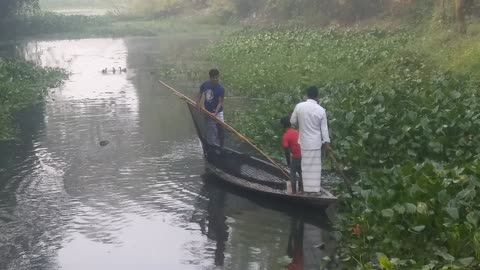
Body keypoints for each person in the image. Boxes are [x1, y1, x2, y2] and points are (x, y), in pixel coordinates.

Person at [290, 86, 332, 193]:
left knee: (305, 166)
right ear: (317, 97)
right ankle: (315, 190)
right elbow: (324, 129)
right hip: (316, 143)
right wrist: (327, 144)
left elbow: (292, 121)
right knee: (315, 168)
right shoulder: (321, 110)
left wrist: (298, 123)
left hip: (304, 142)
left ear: (306, 95)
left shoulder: (299, 107)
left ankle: (306, 190)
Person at [197, 69, 225, 146]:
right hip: (207, 111)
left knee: (220, 130)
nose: (216, 79)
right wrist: (198, 103)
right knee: (209, 129)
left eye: (217, 77)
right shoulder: (205, 85)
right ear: (210, 78)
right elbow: (200, 92)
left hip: (218, 112)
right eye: (214, 78)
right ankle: (210, 144)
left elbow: (220, 102)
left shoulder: (220, 89)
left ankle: (220, 146)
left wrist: (215, 113)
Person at [281, 116, 303, 194]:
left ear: (283, 126)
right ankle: (302, 189)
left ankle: (294, 192)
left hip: (296, 156)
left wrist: (288, 163)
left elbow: (286, 151)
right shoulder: (297, 132)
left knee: (292, 173)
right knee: (301, 172)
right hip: (304, 155)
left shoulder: (286, 136)